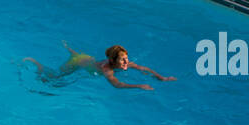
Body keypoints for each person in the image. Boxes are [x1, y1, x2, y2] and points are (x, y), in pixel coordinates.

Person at [24, 42, 174, 91]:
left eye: (127, 59)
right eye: (122, 60)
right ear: (113, 61)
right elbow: (117, 84)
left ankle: (69, 48)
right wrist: (138, 86)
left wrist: (162, 78)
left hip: (87, 59)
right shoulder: (106, 69)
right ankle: (35, 62)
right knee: (55, 79)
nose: (126, 62)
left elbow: (144, 68)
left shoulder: (123, 63)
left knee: (75, 54)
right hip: (78, 63)